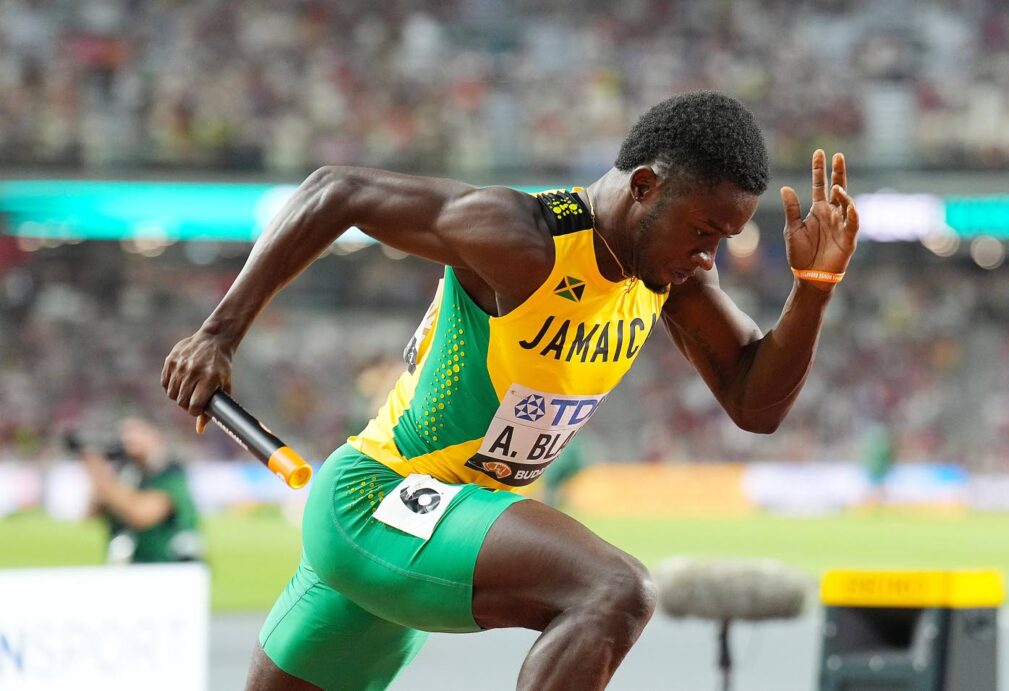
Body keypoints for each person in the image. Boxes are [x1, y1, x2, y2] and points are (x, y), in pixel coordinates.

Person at [162, 91, 858, 690]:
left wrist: (815, 289)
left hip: (442, 523)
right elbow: (334, 191)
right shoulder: (526, 240)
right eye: (703, 231)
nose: (708, 256)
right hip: (376, 501)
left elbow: (754, 404)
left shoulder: (668, 278)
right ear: (645, 185)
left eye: (724, 238)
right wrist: (218, 334)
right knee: (615, 591)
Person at [79, 417, 203, 564]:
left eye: (137, 434)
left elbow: (140, 515)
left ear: (155, 436)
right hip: (132, 567)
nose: (129, 440)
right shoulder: (126, 474)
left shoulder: (171, 474)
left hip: (170, 568)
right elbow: (91, 514)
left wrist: (98, 470)